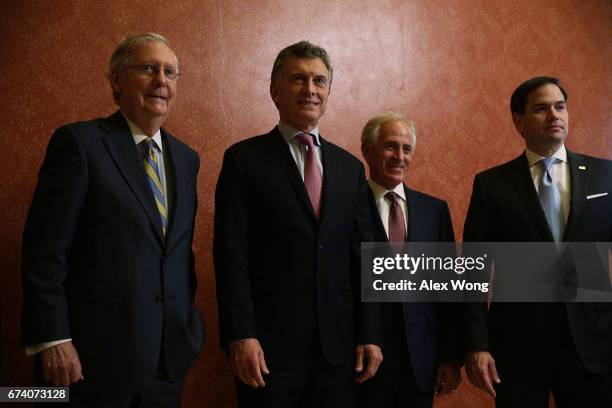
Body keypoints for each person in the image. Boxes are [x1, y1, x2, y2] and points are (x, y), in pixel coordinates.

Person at [21, 33, 205, 406]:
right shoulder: (81, 143)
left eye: (171, 72)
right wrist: (54, 338)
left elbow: (177, 253)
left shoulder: (187, 158)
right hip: (92, 359)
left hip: (167, 361)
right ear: (117, 80)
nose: (161, 81)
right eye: (148, 69)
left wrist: (187, 327)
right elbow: (45, 251)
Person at [214, 40, 382, 407]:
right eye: (298, 79)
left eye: (319, 81)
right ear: (274, 91)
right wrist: (241, 335)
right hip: (269, 353)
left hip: (339, 352)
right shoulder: (244, 159)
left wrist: (370, 333)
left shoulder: (349, 167)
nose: (310, 90)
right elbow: (231, 256)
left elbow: (364, 257)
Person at [463, 76, 612, 407]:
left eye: (560, 107)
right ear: (519, 122)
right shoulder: (492, 185)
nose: (554, 116)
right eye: (542, 109)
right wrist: (477, 343)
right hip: (518, 342)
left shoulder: (605, 175)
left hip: (594, 339)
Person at [358, 112, 461, 408]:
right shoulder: (347, 207)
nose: (399, 156)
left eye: (407, 149)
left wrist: (450, 356)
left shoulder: (435, 210)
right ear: (367, 151)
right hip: (363, 359)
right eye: (390, 146)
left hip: (422, 359)